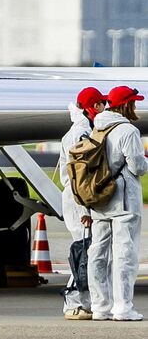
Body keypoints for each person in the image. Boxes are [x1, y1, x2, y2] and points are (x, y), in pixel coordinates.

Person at [86, 85, 148, 321]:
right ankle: (123, 307)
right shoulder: (128, 131)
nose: (136, 106)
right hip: (123, 201)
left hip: (99, 198)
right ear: (126, 105)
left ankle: (100, 306)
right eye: (134, 102)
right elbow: (137, 167)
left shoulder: (97, 127)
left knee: (98, 253)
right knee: (125, 253)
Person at [58, 87, 107, 319]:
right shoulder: (81, 133)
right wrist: (84, 209)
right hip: (78, 199)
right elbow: (79, 175)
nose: (104, 107)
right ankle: (73, 302)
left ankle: (84, 302)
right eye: (102, 103)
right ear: (93, 106)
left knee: (87, 250)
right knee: (83, 252)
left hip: (78, 197)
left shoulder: (85, 128)